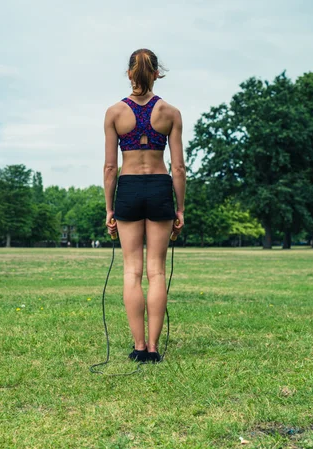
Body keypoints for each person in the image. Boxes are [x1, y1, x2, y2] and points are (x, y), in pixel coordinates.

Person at [104, 48, 185, 363]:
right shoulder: (170, 113)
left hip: (129, 188)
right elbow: (178, 168)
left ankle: (138, 347)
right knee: (156, 270)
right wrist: (180, 209)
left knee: (132, 270)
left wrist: (110, 208)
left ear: (129, 74)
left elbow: (110, 168)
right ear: (156, 73)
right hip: (159, 187)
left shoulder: (114, 113)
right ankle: (153, 348)